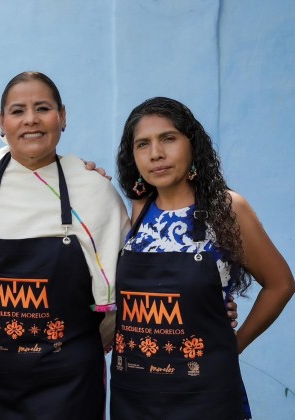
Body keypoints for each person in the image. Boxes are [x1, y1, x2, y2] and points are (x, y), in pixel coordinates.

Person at [0, 71, 129, 419]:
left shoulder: (92, 190)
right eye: (17, 111)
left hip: (67, 386)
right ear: (1, 122)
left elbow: (118, 298)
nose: (30, 119)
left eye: (42, 108)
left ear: (62, 116)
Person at [110, 97, 295, 419]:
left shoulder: (226, 208)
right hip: (134, 392)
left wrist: (233, 345)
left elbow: (280, 284)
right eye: (143, 144)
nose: (156, 153)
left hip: (205, 396)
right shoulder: (138, 212)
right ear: (134, 157)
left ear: (192, 145)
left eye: (168, 138)